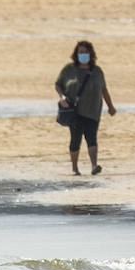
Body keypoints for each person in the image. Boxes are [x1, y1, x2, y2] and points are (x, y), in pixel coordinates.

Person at [55, 40, 116, 175]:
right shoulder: (69, 70)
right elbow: (58, 84)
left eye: (86, 52)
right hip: (75, 112)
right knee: (75, 139)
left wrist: (110, 107)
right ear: (76, 54)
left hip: (93, 111)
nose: (83, 54)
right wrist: (62, 97)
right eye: (81, 52)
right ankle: (75, 168)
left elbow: (104, 90)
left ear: (91, 54)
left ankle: (94, 165)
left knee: (91, 137)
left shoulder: (97, 71)